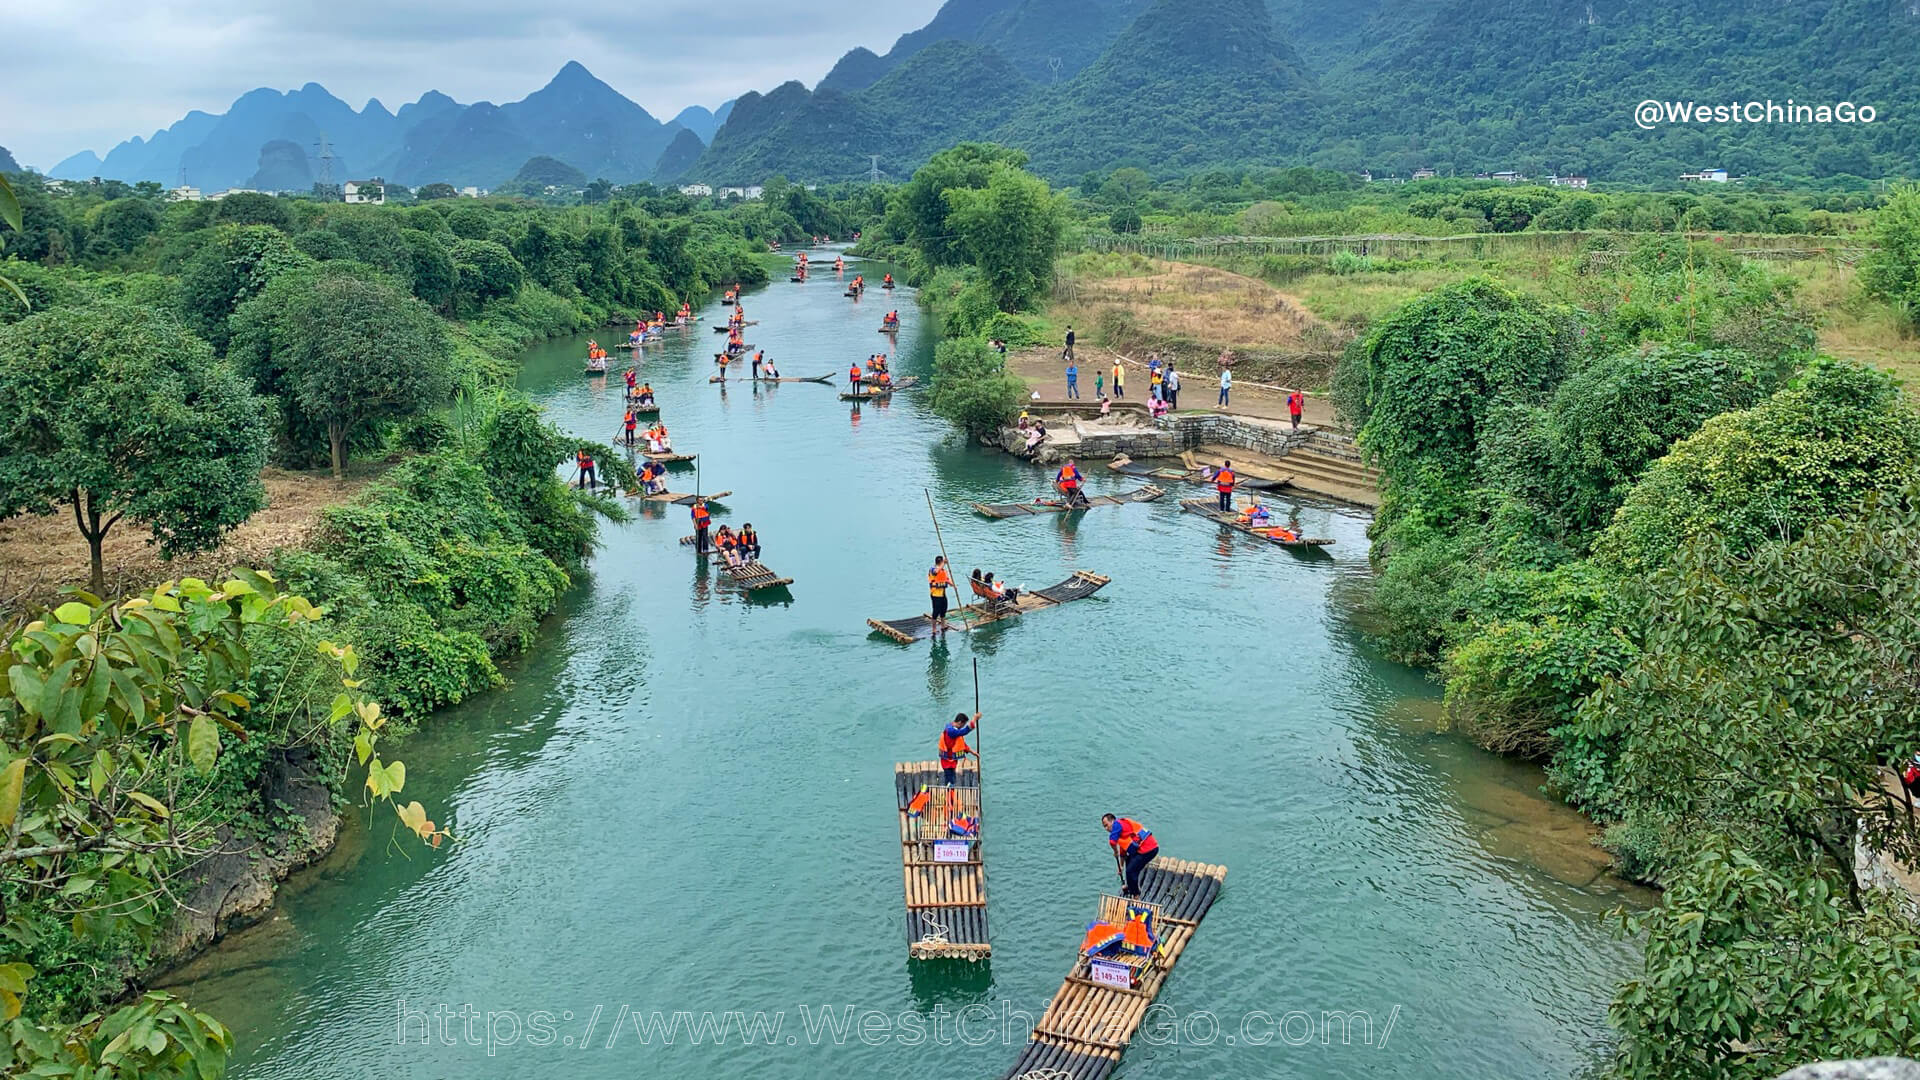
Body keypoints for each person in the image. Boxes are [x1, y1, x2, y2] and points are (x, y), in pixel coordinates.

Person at [1102, 813, 1159, 899]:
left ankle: (1136, 894)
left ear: (1112, 821)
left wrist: (1115, 851)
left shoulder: (1117, 825)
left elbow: (1112, 842)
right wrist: (1121, 866)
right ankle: (1131, 886)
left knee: (1131, 871)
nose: (1106, 829)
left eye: (1107, 825)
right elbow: (1123, 852)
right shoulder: (1120, 831)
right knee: (1128, 860)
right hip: (1143, 849)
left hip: (1148, 849)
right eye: (1104, 827)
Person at [939, 712, 978, 786]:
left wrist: (972, 752)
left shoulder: (953, 728)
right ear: (960, 722)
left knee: (952, 779)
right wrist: (974, 720)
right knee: (950, 781)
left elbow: (961, 743)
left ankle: (950, 791)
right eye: (963, 724)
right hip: (947, 762)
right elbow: (964, 731)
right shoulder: (951, 731)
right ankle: (950, 794)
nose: (963, 726)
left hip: (952, 761)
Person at [928, 555, 954, 636]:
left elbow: (945, 579)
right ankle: (934, 629)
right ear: (940, 562)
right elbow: (936, 572)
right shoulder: (933, 569)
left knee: (944, 610)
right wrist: (944, 563)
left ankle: (943, 626)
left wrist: (952, 584)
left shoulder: (942, 570)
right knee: (936, 612)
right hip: (935, 594)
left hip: (942, 594)